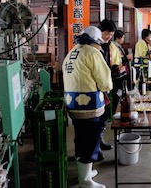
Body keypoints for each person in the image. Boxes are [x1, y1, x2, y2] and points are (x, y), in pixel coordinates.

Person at [63, 26, 111, 188]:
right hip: (89, 107)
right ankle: (85, 181)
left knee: (81, 140)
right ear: (96, 41)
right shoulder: (93, 53)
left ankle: (86, 173)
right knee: (89, 142)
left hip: (73, 105)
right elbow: (105, 83)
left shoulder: (72, 52)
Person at [98, 19, 122, 156]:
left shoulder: (108, 45)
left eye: (111, 34)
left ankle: (100, 140)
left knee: (104, 115)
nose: (109, 37)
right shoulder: (94, 45)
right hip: (95, 87)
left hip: (106, 84)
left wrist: (115, 68)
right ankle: (96, 147)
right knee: (97, 116)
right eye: (107, 34)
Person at [113, 30, 133, 110]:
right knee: (119, 92)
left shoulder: (119, 46)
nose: (123, 40)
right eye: (123, 38)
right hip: (119, 73)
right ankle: (118, 109)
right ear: (118, 38)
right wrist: (126, 58)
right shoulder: (114, 47)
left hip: (123, 72)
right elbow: (118, 61)